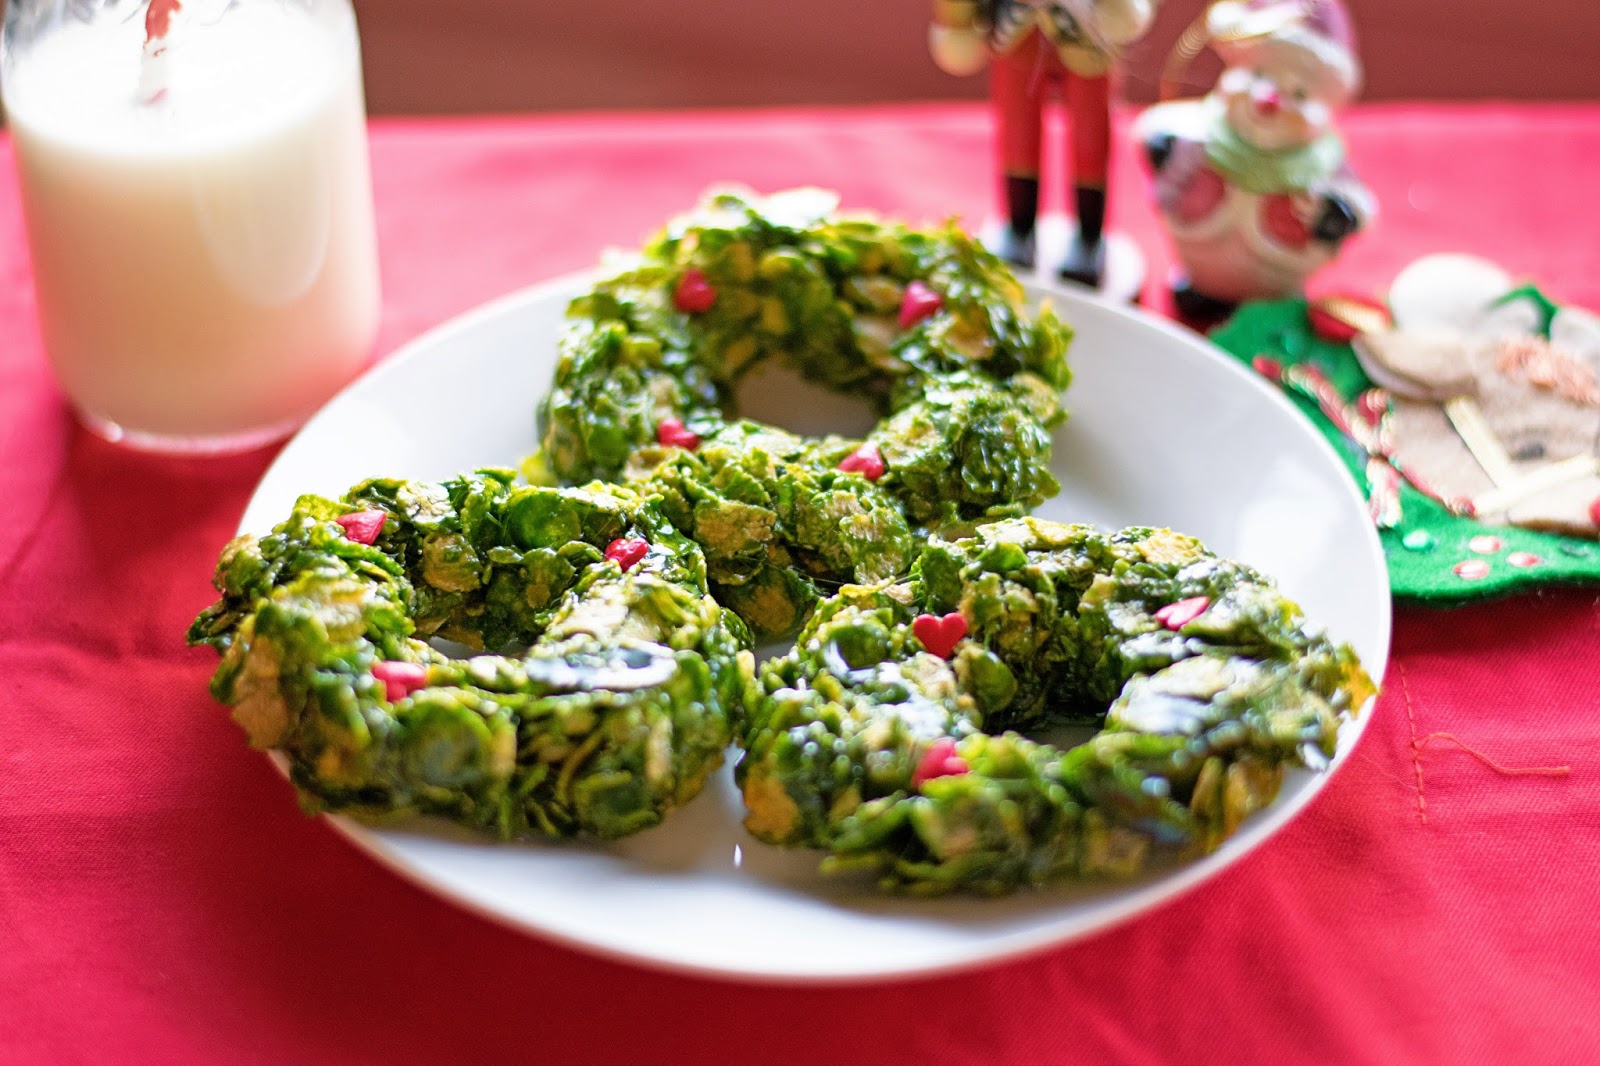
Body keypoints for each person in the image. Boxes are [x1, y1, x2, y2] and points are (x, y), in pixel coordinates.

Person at [930, 0, 1157, 286]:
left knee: (1090, 133)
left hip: (1088, 35)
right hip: (1015, 35)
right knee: (1017, 128)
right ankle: (1019, 229)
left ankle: (1089, 238)